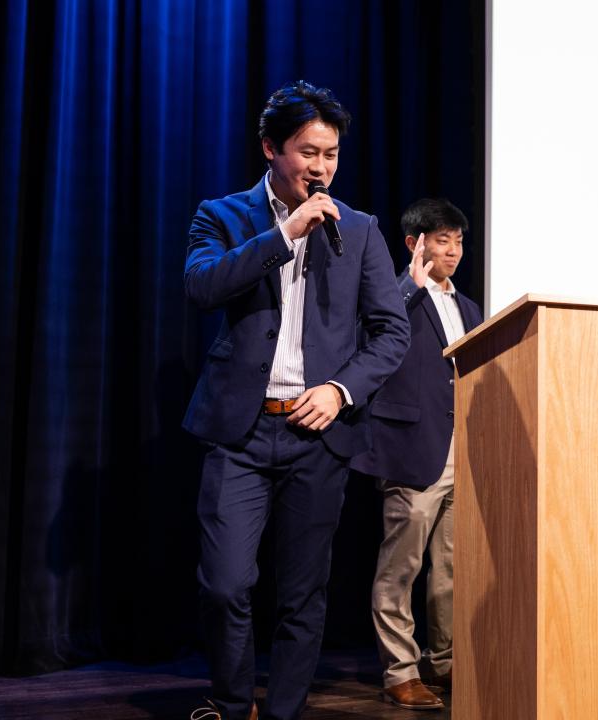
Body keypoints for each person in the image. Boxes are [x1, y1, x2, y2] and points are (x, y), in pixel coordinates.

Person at [183, 80, 410, 720]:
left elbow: (390, 331)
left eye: (331, 155)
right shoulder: (222, 215)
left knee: (302, 594)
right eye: (309, 152)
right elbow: (202, 286)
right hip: (241, 431)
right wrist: (285, 236)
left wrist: (341, 391)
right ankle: (232, 706)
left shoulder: (360, 230)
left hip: (319, 436)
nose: (321, 168)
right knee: (226, 584)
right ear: (270, 148)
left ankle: (282, 712)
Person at [352, 199, 482, 711]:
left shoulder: (468, 307)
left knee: (450, 568)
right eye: (442, 240)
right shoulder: (391, 296)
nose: (453, 251)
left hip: (462, 453)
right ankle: (399, 671)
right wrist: (408, 287)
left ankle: (444, 661)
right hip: (411, 448)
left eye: (458, 241)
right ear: (414, 244)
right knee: (400, 568)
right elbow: (366, 340)